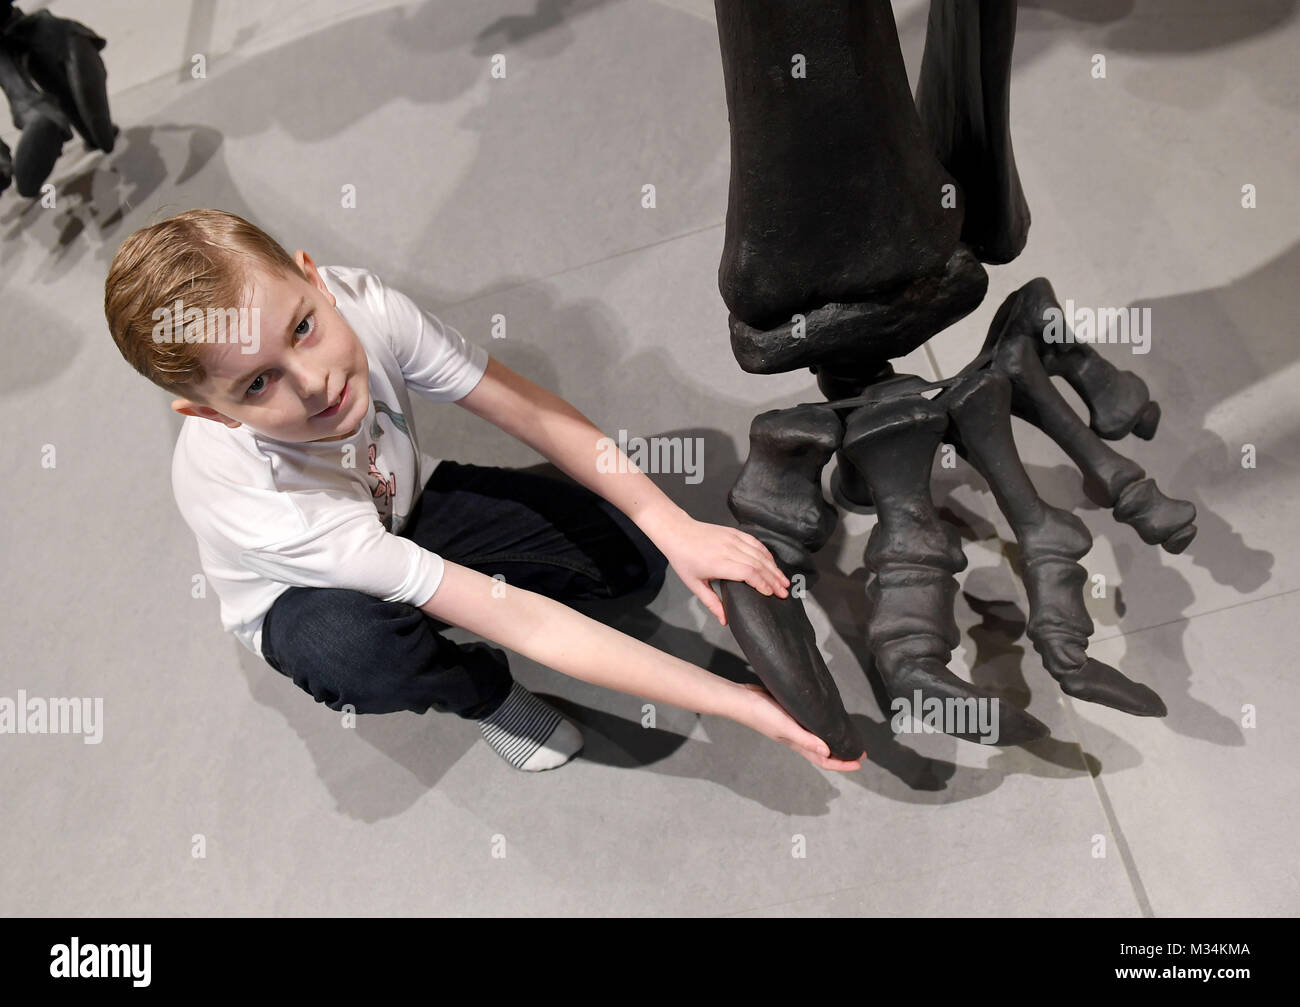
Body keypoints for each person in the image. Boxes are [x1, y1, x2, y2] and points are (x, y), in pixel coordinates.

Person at [104, 208, 865, 773]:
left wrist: (670, 523)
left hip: (405, 503)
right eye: (259, 382)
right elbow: (525, 623)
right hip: (307, 589)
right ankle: (481, 694)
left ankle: (552, 543)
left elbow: (528, 408)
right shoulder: (266, 507)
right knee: (357, 649)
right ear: (208, 412)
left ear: (313, 278)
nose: (314, 384)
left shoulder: (364, 305)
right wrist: (737, 704)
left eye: (302, 328)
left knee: (634, 561)